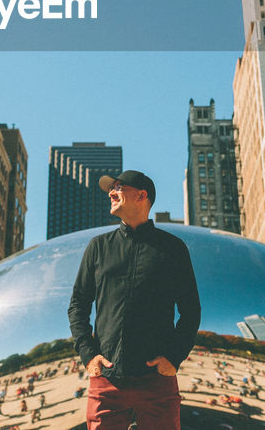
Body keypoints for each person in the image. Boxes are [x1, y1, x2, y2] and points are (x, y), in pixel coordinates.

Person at [68, 170, 202, 430]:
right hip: (106, 378)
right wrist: (88, 355)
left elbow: (191, 310)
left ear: (142, 195)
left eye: (119, 187)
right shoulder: (98, 247)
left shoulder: (172, 248)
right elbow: (78, 305)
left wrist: (174, 358)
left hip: (156, 380)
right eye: (111, 188)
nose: (111, 192)